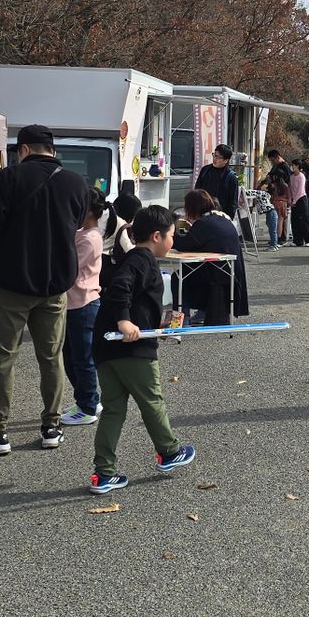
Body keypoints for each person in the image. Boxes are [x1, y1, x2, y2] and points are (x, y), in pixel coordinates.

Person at [0, 124, 91, 456]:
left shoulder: (8, 179)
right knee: (51, 358)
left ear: (23, 150)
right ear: (52, 149)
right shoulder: (76, 183)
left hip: (13, 284)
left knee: (4, 358)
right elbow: (77, 225)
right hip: (55, 286)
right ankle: (51, 426)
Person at [89, 205, 195, 491]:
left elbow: (133, 297)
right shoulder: (142, 260)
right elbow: (121, 288)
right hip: (129, 348)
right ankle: (169, 452)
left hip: (106, 347)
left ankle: (104, 472)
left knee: (113, 409)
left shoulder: (133, 258)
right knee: (152, 400)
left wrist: (156, 326)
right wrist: (125, 322)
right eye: (173, 235)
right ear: (158, 236)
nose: (174, 240)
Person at [176, 188, 248, 326]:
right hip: (230, 274)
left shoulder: (203, 224)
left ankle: (182, 319)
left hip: (214, 274)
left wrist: (172, 231)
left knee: (178, 277)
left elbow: (183, 245)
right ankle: (201, 312)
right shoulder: (222, 219)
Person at [60, 202, 104, 425]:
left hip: (84, 304)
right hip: (74, 303)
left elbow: (70, 265)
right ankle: (87, 400)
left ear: (88, 211)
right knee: (71, 356)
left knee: (82, 359)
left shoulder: (90, 238)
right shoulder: (83, 233)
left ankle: (87, 406)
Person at [194, 144, 239, 220]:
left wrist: (228, 219)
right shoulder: (205, 170)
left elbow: (232, 202)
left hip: (220, 216)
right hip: (203, 213)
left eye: (218, 157)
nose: (215, 159)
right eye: (214, 155)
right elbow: (197, 190)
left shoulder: (231, 177)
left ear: (226, 160)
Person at [288, 157, 309, 246]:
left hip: (301, 199)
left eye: (293, 165)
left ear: (298, 166)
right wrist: (290, 200)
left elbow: (300, 190)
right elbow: (290, 189)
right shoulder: (291, 177)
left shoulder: (301, 176)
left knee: (303, 220)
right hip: (294, 200)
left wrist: (294, 200)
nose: (292, 167)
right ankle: (297, 240)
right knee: (294, 221)